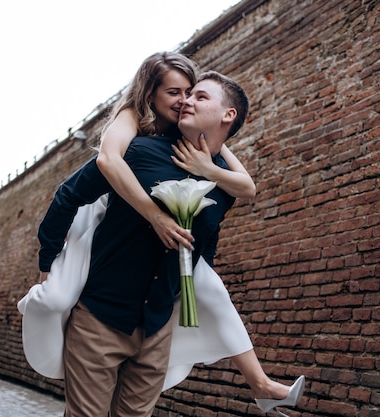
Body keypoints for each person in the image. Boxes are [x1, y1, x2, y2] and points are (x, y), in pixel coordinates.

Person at [19, 52, 304, 416]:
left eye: (197, 95)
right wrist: (48, 261)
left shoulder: (222, 180)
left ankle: (260, 385)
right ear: (151, 95)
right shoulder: (135, 150)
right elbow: (67, 195)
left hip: (157, 325)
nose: (185, 100)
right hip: (101, 316)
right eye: (179, 93)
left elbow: (212, 232)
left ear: (226, 115)